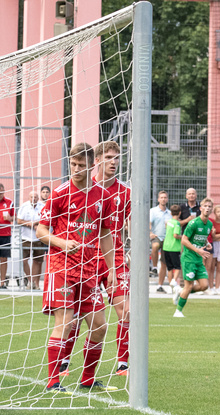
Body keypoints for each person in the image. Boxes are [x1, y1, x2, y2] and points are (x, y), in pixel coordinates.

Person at [36, 142, 116, 393]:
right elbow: (40, 230)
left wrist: (111, 268)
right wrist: (61, 242)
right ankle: (53, 382)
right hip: (61, 267)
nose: (76, 169)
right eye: (73, 164)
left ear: (92, 164)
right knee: (67, 321)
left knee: (100, 326)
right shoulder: (60, 193)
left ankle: (88, 379)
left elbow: (104, 233)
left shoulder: (103, 196)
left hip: (90, 269)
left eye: (81, 165)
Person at [91, 140, 132, 376]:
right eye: (108, 157)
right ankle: (63, 362)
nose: (113, 162)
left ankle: (123, 363)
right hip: (86, 258)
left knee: (126, 311)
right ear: (97, 161)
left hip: (115, 257)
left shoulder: (125, 192)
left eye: (116, 157)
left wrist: (132, 248)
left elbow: (129, 224)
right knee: (77, 315)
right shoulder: (86, 189)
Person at [173, 197, 214, 318]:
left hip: (198, 258)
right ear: (201, 208)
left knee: (204, 286)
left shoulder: (209, 224)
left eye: (209, 206)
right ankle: (178, 311)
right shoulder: (193, 223)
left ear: (211, 209)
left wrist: (207, 243)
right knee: (189, 285)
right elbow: (184, 240)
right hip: (189, 258)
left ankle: (180, 292)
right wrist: (197, 250)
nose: (207, 208)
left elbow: (201, 236)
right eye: (205, 206)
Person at [17, 191, 45, 290]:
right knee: (24, 260)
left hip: (39, 237)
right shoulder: (24, 207)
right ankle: (30, 280)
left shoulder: (42, 206)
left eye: (35, 197)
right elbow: (19, 220)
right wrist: (29, 224)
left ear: (38, 198)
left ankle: (36, 284)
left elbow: (46, 218)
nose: (33, 198)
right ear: (29, 197)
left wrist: (36, 223)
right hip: (26, 237)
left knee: (38, 261)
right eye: (31, 196)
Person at [149, 190, 171, 290]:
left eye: (165, 197)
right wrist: (150, 233)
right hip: (156, 236)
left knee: (164, 262)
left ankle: (160, 285)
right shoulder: (153, 211)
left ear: (167, 199)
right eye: (161, 197)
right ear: (158, 199)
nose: (163, 199)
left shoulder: (170, 213)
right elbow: (149, 223)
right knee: (155, 246)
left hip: (167, 238)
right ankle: (154, 267)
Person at [0, 183, 15, 289]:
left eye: (1, 193)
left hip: (5, 235)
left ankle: (2, 283)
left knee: (4, 259)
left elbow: (15, 218)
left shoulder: (9, 202)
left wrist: (9, 218)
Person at [163, 205, 183, 294]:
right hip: (174, 247)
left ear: (171, 213)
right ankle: (174, 281)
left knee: (170, 268)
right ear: (179, 213)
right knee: (178, 267)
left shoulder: (168, 222)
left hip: (166, 246)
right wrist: (183, 237)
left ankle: (170, 287)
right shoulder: (177, 223)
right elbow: (175, 235)